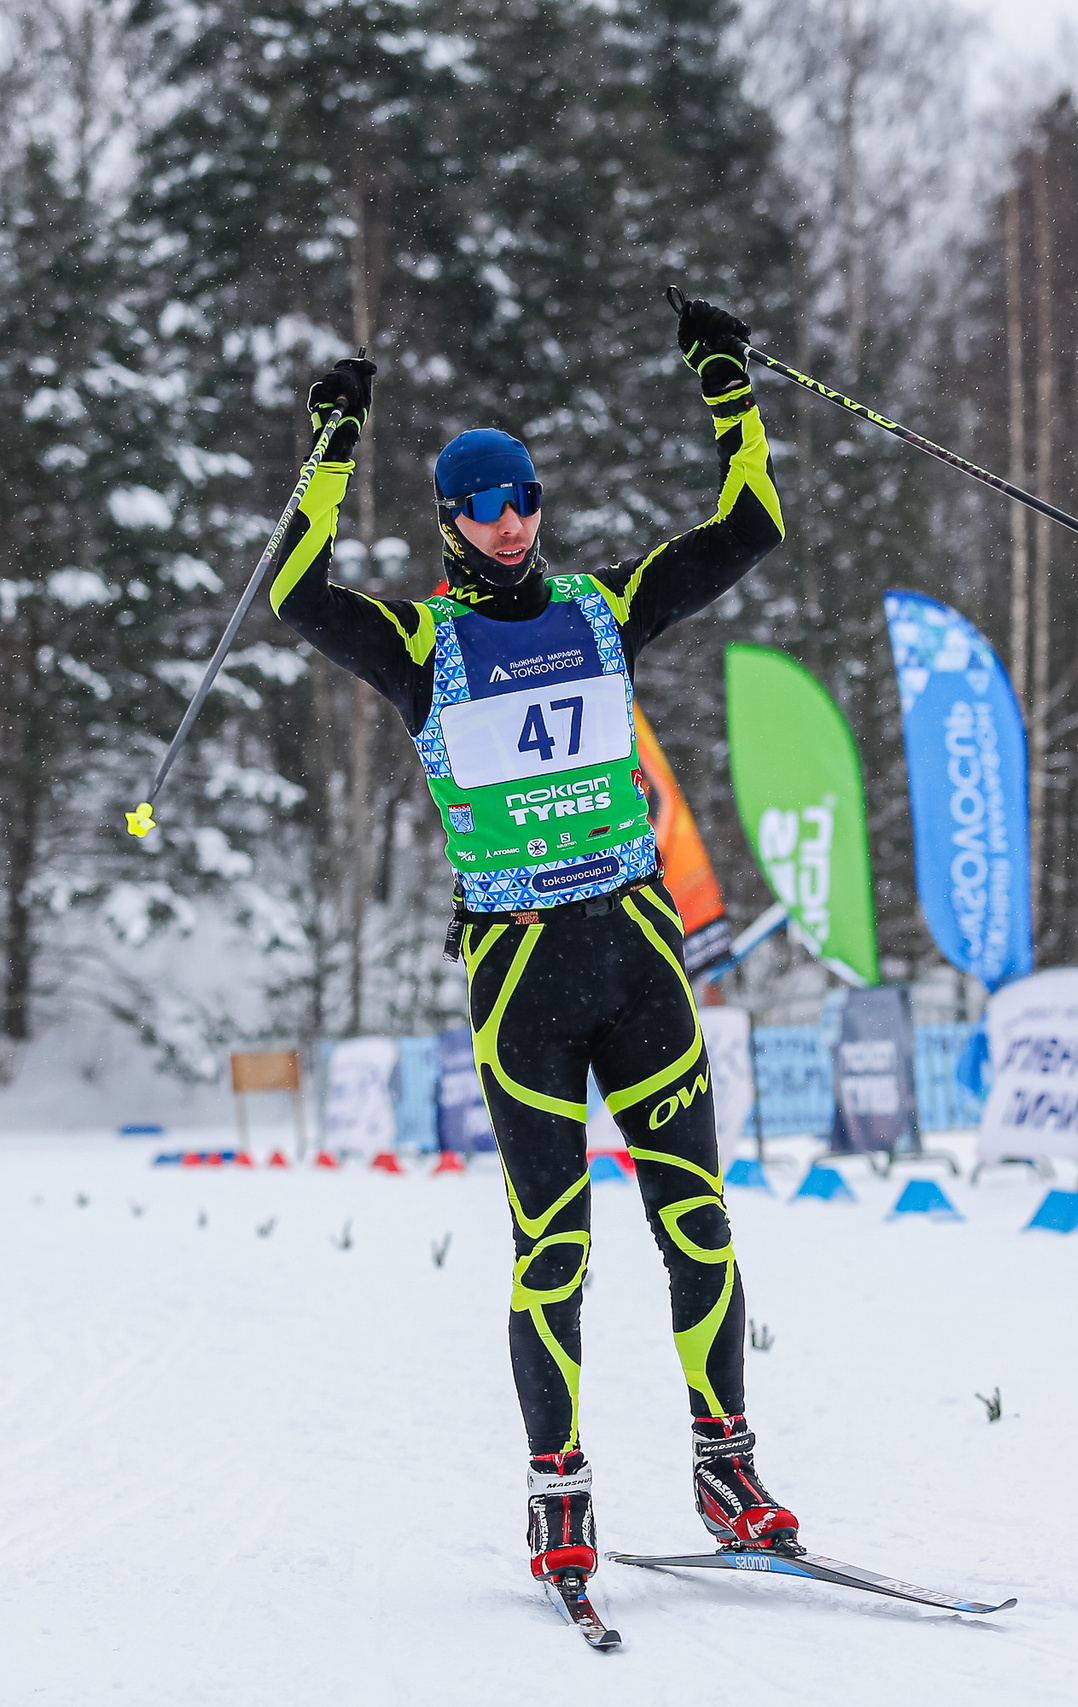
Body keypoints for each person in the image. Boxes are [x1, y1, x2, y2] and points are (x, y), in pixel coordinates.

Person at [268, 298, 795, 1595]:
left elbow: (751, 527)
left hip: (637, 953)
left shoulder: (603, 608)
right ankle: (559, 1494)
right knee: (554, 1248)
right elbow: (293, 589)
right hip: (520, 981)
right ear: (450, 521)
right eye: (488, 505)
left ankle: (727, 1466)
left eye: (526, 499)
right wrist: (330, 447)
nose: (514, 521)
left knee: (702, 1226)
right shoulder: (420, 642)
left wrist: (729, 388)